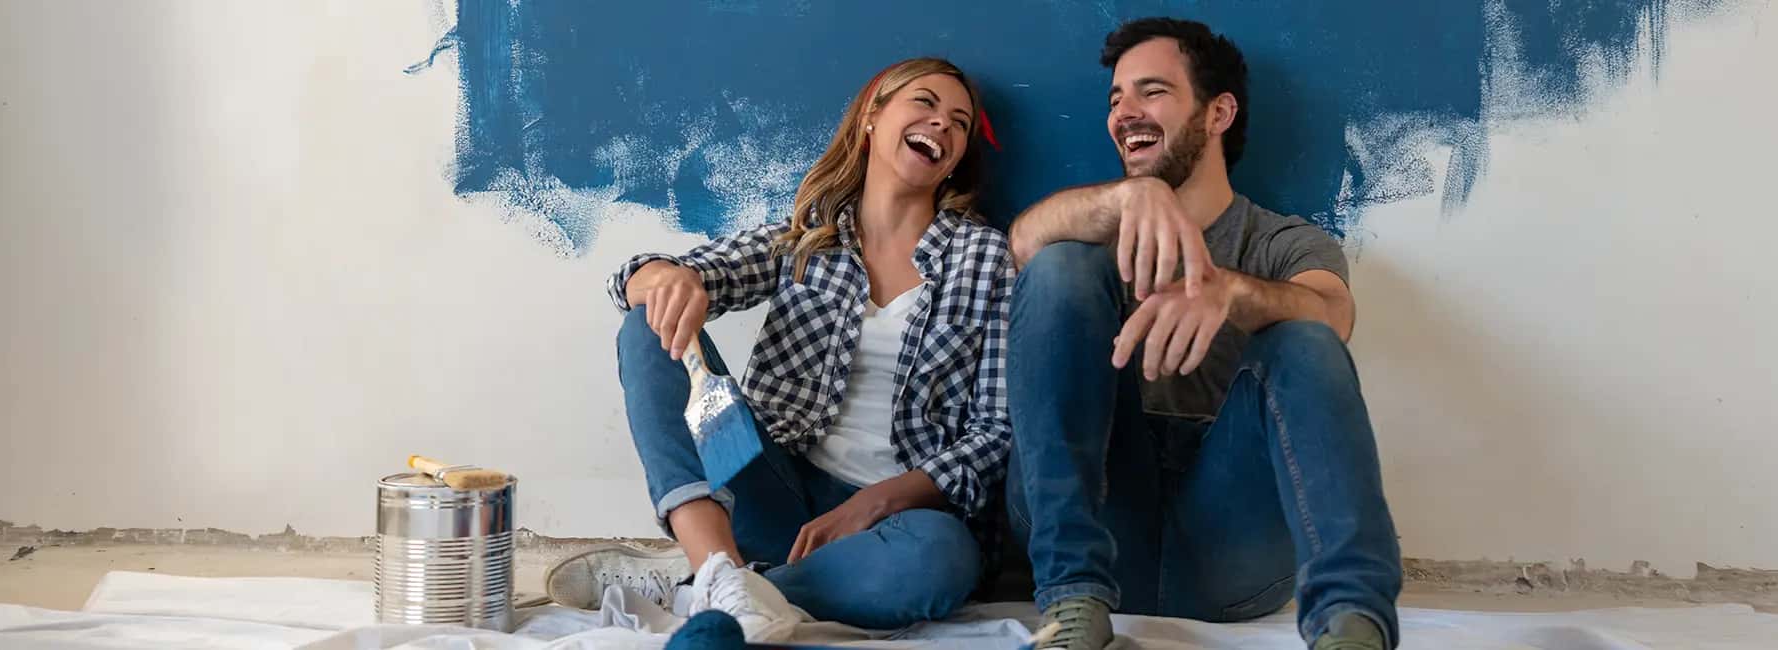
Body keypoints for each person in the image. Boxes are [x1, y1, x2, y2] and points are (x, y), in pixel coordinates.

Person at [552, 57, 1014, 641]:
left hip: (896, 523)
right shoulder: (806, 240)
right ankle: (719, 566)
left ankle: (702, 586)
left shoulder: (986, 259)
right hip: (769, 486)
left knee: (941, 561)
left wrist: (874, 503)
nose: (942, 124)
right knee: (651, 322)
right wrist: (668, 280)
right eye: (924, 103)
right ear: (873, 118)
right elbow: (639, 280)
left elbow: (994, 433)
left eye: (960, 122)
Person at [1005, 18, 1403, 650]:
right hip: (1100, 519)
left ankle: (1352, 626)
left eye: (1152, 91)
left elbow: (1335, 317)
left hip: (1232, 541)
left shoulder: (1284, 241)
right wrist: (1124, 203)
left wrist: (1229, 291)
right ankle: (1071, 607)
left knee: (1303, 333)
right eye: (1116, 99)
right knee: (1059, 262)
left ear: (1218, 113)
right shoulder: (1092, 228)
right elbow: (1024, 243)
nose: (1125, 113)